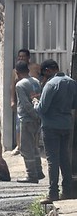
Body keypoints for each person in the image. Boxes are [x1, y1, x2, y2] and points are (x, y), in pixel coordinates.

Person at [34, 59, 77, 203]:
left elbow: (42, 109)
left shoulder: (50, 84)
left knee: (53, 160)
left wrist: (35, 104)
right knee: (65, 158)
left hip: (51, 126)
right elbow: (74, 104)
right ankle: (68, 191)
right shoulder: (71, 82)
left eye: (43, 74)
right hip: (66, 125)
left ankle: (53, 193)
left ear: (47, 70)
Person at [13, 60, 44, 183]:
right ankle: (39, 171)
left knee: (26, 148)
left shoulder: (20, 85)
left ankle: (31, 175)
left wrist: (33, 115)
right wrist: (38, 116)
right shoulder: (36, 81)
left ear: (17, 72)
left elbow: (25, 104)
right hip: (37, 118)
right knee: (34, 146)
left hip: (27, 119)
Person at [10, 49, 40, 154]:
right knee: (19, 125)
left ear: (28, 57)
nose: (21, 58)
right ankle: (19, 146)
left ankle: (35, 146)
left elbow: (43, 78)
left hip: (34, 100)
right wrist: (12, 100)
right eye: (19, 56)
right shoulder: (15, 71)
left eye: (23, 56)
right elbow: (12, 86)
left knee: (35, 125)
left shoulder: (35, 68)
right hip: (21, 102)